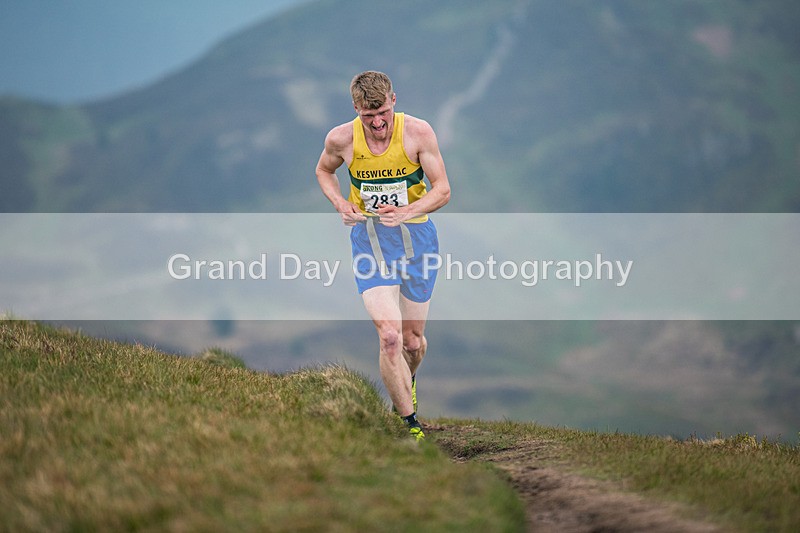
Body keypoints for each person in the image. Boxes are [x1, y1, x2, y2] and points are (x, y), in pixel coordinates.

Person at [315, 71, 451, 441]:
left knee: (412, 341)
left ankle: (407, 382)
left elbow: (442, 190)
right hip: (370, 243)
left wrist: (407, 211)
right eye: (367, 115)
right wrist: (340, 202)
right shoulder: (341, 139)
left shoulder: (418, 133)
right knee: (389, 336)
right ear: (355, 108)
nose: (377, 123)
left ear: (393, 100)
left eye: (382, 113)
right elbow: (324, 171)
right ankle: (409, 426)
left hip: (418, 242)